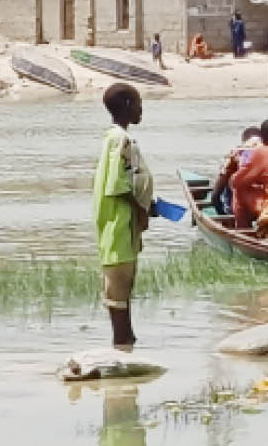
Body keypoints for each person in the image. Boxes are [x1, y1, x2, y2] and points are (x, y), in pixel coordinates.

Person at [92, 83, 153, 352]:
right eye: (139, 103)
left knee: (122, 294)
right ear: (128, 105)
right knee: (117, 294)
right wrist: (140, 209)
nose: (142, 110)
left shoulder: (113, 138)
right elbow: (117, 185)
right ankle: (121, 345)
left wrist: (149, 203)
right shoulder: (120, 140)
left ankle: (127, 345)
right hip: (119, 226)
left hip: (120, 226)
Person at [211, 127, 262, 216]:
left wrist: (222, 217)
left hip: (236, 213)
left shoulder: (234, 157)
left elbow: (215, 197)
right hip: (263, 210)